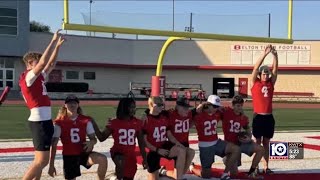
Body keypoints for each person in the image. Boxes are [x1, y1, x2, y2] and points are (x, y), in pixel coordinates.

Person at [19, 30, 65, 180]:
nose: (39, 64)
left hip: (44, 121)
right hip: (39, 122)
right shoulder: (29, 76)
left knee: (40, 160)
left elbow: (50, 63)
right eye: (36, 62)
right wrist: (52, 41)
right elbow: (44, 62)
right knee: (42, 161)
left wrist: (57, 46)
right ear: (29, 64)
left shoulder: (37, 77)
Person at [48, 95, 108, 180]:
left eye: (74, 103)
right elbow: (54, 144)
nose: (72, 105)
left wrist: (91, 142)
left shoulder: (85, 120)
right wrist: (51, 165)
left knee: (102, 159)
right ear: (65, 105)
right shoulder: (59, 122)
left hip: (83, 153)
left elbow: (93, 139)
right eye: (69, 103)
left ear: (78, 105)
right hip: (69, 156)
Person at [91, 97, 147, 180]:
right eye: (130, 107)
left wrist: (145, 159)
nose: (133, 109)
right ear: (124, 108)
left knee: (128, 176)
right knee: (120, 161)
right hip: (117, 152)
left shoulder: (137, 123)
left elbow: (141, 143)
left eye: (134, 107)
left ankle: (113, 177)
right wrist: (93, 123)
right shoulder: (114, 123)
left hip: (131, 156)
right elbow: (102, 138)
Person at [189, 95, 240, 180]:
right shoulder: (199, 115)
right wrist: (195, 111)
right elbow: (188, 123)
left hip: (216, 142)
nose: (216, 108)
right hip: (205, 146)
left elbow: (231, 112)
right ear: (208, 104)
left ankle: (225, 173)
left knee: (236, 149)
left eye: (217, 106)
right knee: (206, 175)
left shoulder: (218, 113)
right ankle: (192, 168)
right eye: (214, 106)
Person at [142, 96, 187, 180]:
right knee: (154, 178)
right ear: (151, 105)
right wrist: (157, 150)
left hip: (163, 145)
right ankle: (157, 173)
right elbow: (145, 142)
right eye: (159, 105)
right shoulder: (145, 119)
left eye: (162, 104)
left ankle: (178, 178)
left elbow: (169, 135)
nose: (162, 107)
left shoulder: (164, 116)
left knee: (182, 150)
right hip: (153, 150)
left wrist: (178, 144)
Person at [221, 95, 264, 179]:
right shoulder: (226, 112)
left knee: (261, 149)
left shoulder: (243, 117)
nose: (240, 108)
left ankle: (251, 172)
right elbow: (217, 108)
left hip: (240, 142)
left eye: (241, 105)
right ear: (232, 105)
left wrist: (248, 137)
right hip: (230, 144)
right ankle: (226, 159)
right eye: (237, 105)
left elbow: (248, 130)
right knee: (234, 174)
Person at [251, 44, 278, 174]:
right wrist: (265, 53)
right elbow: (255, 68)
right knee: (257, 142)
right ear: (260, 75)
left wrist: (275, 56)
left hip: (268, 117)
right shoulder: (255, 83)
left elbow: (275, 71)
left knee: (267, 143)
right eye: (264, 73)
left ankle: (266, 167)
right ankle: (255, 166)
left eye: (267, 74)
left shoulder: (271, 83)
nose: (266, 76)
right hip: (258, 116)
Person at [158, 97, 196, 178]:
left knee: (191, 153)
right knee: (179, 174)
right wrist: (146, 114)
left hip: (185, 144)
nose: (187, 110)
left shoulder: (189, 113)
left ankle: (164, 172)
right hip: (173, 145)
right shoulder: (169, 114)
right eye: (184, 107)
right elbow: (154, 113)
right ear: (178, 106)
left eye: (187, 107)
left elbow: (199, 110)